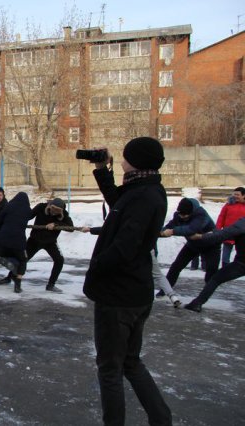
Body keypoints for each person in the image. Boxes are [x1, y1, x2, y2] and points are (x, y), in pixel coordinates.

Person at [82, 136, 172, 425]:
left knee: (110, 369)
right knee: (130, 362)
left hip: (119, 296)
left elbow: (125, 246)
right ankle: (161, 418)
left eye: (125, 155)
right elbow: (118, 203)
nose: (120, 158)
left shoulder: (145, 196)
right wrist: (101, 169)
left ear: (136, 160)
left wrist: (96, 268)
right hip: (133, 291)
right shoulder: (144, 189)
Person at [0, 197, 74, 292]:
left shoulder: (64, 214)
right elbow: (28, 215)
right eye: (53, 208)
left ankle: (51, 285)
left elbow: (71, 228)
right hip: (35, 240)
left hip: (50, 242)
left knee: (59, 260)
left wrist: (56, 224)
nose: (54, 212)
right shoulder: (41, 207)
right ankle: (9, 277)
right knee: (22, 259)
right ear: (49, 206)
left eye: (57, 210)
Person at [159, 198, 220, 295]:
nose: (182, 217)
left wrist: (173, 231)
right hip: (193, 245)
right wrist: (159, 233)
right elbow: (169, 226)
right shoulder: (178, 215)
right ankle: (165, 290)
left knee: (211, 271)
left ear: (192, 212)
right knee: (176, 266)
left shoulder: (201, 215)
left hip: (211, 245)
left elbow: (191, 229)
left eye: (185, 215)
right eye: (181, 214)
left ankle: (206, 295)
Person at [186, 216, 245, 312]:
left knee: (216, 279)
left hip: (241, 263)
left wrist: (202, 236)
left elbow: (224, 234)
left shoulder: (243, 223)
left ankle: (197, 303)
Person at [215, 187, 245, 267]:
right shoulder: (228, 205)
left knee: (241, 254)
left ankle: (237, 268)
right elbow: (221, 217)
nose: (235, 196)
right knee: (226, 253)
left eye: (237, 194)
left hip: (241, 235)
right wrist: (217, 229)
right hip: (228, 232)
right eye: (234, 194)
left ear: (243, 195)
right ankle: (225, 269)